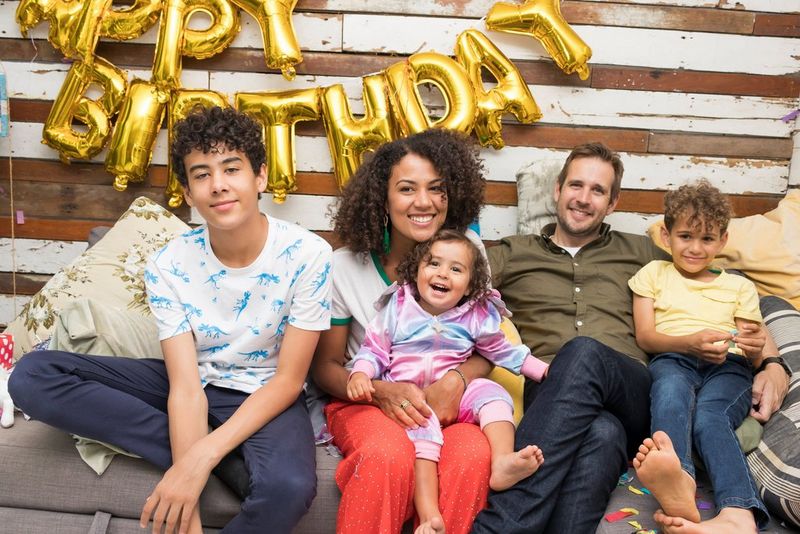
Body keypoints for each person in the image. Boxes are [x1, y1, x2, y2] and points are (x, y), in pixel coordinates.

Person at [9, 106, 332, 534]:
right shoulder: (168, 264)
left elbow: (288, 381)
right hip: (191, 382)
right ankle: (224, 458)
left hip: (266, 392)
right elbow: (185, 386)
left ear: (260, 177)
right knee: (33, 375)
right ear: (188, 192)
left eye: (231, 169)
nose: (218, 185)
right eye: (201, 174)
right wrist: (188, 497)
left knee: (288, 488)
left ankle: (214, 451)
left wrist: (200, 456)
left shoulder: (310, 255)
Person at [471, 142, 789, 533]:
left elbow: (721, 290)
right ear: (557, 189)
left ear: (613, 203)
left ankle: (499, 527)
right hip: (551, 391)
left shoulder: (641, 251)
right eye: (576, 185)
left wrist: (772, 363)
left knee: (584, 353)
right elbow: (450, 287)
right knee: (603, 434)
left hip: (631, 389)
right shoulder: (512, 253)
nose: (584, 198)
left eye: (598, 190)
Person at [311, 128, 495, 534]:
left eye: (437, 188)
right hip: (367, 403)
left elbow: (490, 347)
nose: (424, 202)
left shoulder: (468, 251)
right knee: (385, 455)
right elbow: (325, 367)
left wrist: (457, 380)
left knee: (472, 456)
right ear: (383, 197)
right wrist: (379, 391)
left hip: (446, 405)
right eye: (407, 189)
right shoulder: (344, 267)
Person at [347, 230, 548, 534]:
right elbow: (373, 349)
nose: (443, 273)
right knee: (424, 439)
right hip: (412, 395)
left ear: (470, 285)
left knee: (493, 394)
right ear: (416, 270)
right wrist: (361, 373)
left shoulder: (475, 315)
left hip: (457, 393)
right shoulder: (398, 308)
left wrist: (544, 372)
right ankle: (430, 516)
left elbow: (503, 351)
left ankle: (502, 461)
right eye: (434, 263)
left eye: (456, 269)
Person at [630, 180, 770, 533]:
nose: (695, 248)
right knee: (670, 394)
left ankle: (739, 514)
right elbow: (646, 336)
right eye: (685, 236)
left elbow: (752, 347)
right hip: (673, 358)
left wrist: (755, 348)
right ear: (666, 236)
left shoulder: (739, 286)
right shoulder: (653, 274)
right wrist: (688, 343)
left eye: (707, 238)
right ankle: (680, 480)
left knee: (710, 417)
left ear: (722, 241)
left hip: (729, 366)